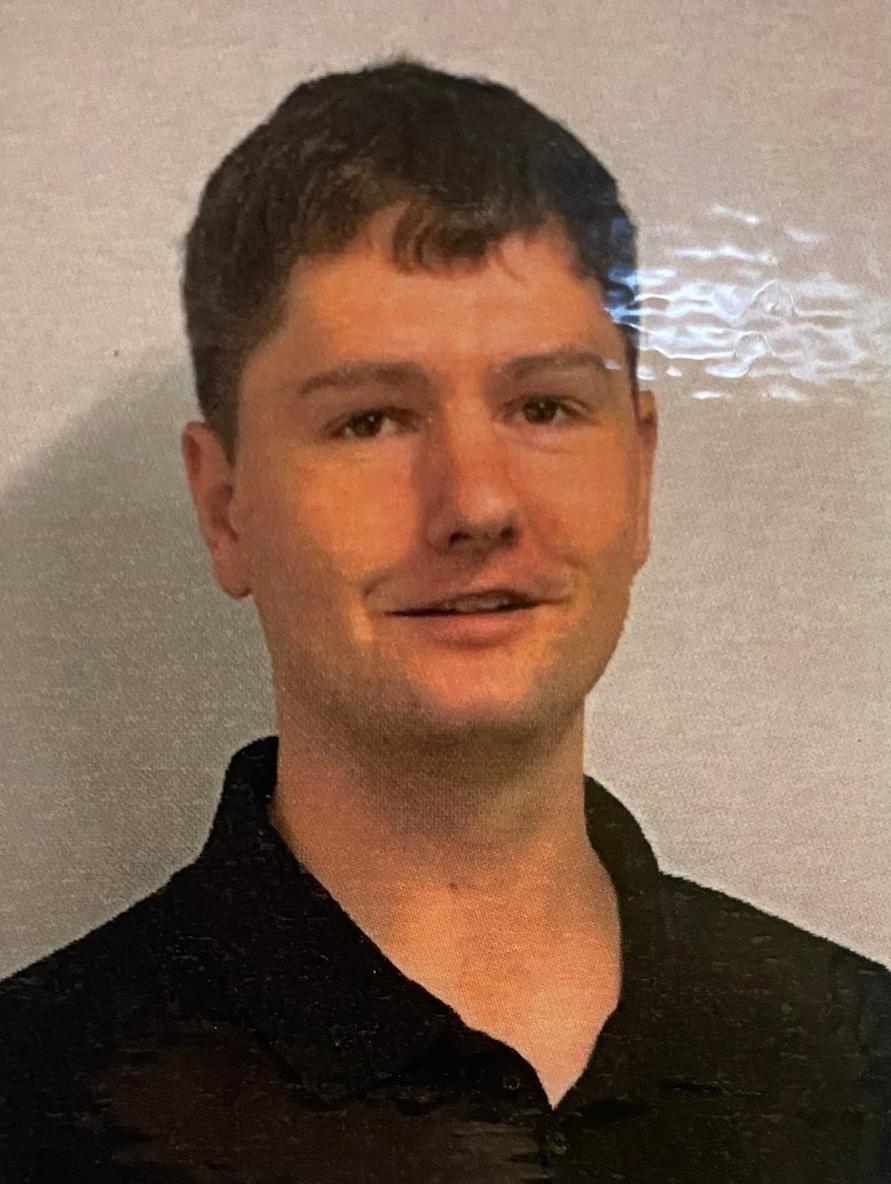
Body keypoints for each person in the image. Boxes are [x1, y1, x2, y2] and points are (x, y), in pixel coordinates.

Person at [1, 57, 888, 1184]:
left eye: (544, 406)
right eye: (370, 420)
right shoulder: (30, 1106)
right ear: (225, 506)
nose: (475, 502)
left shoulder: (859, 1067)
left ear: (639, 472)